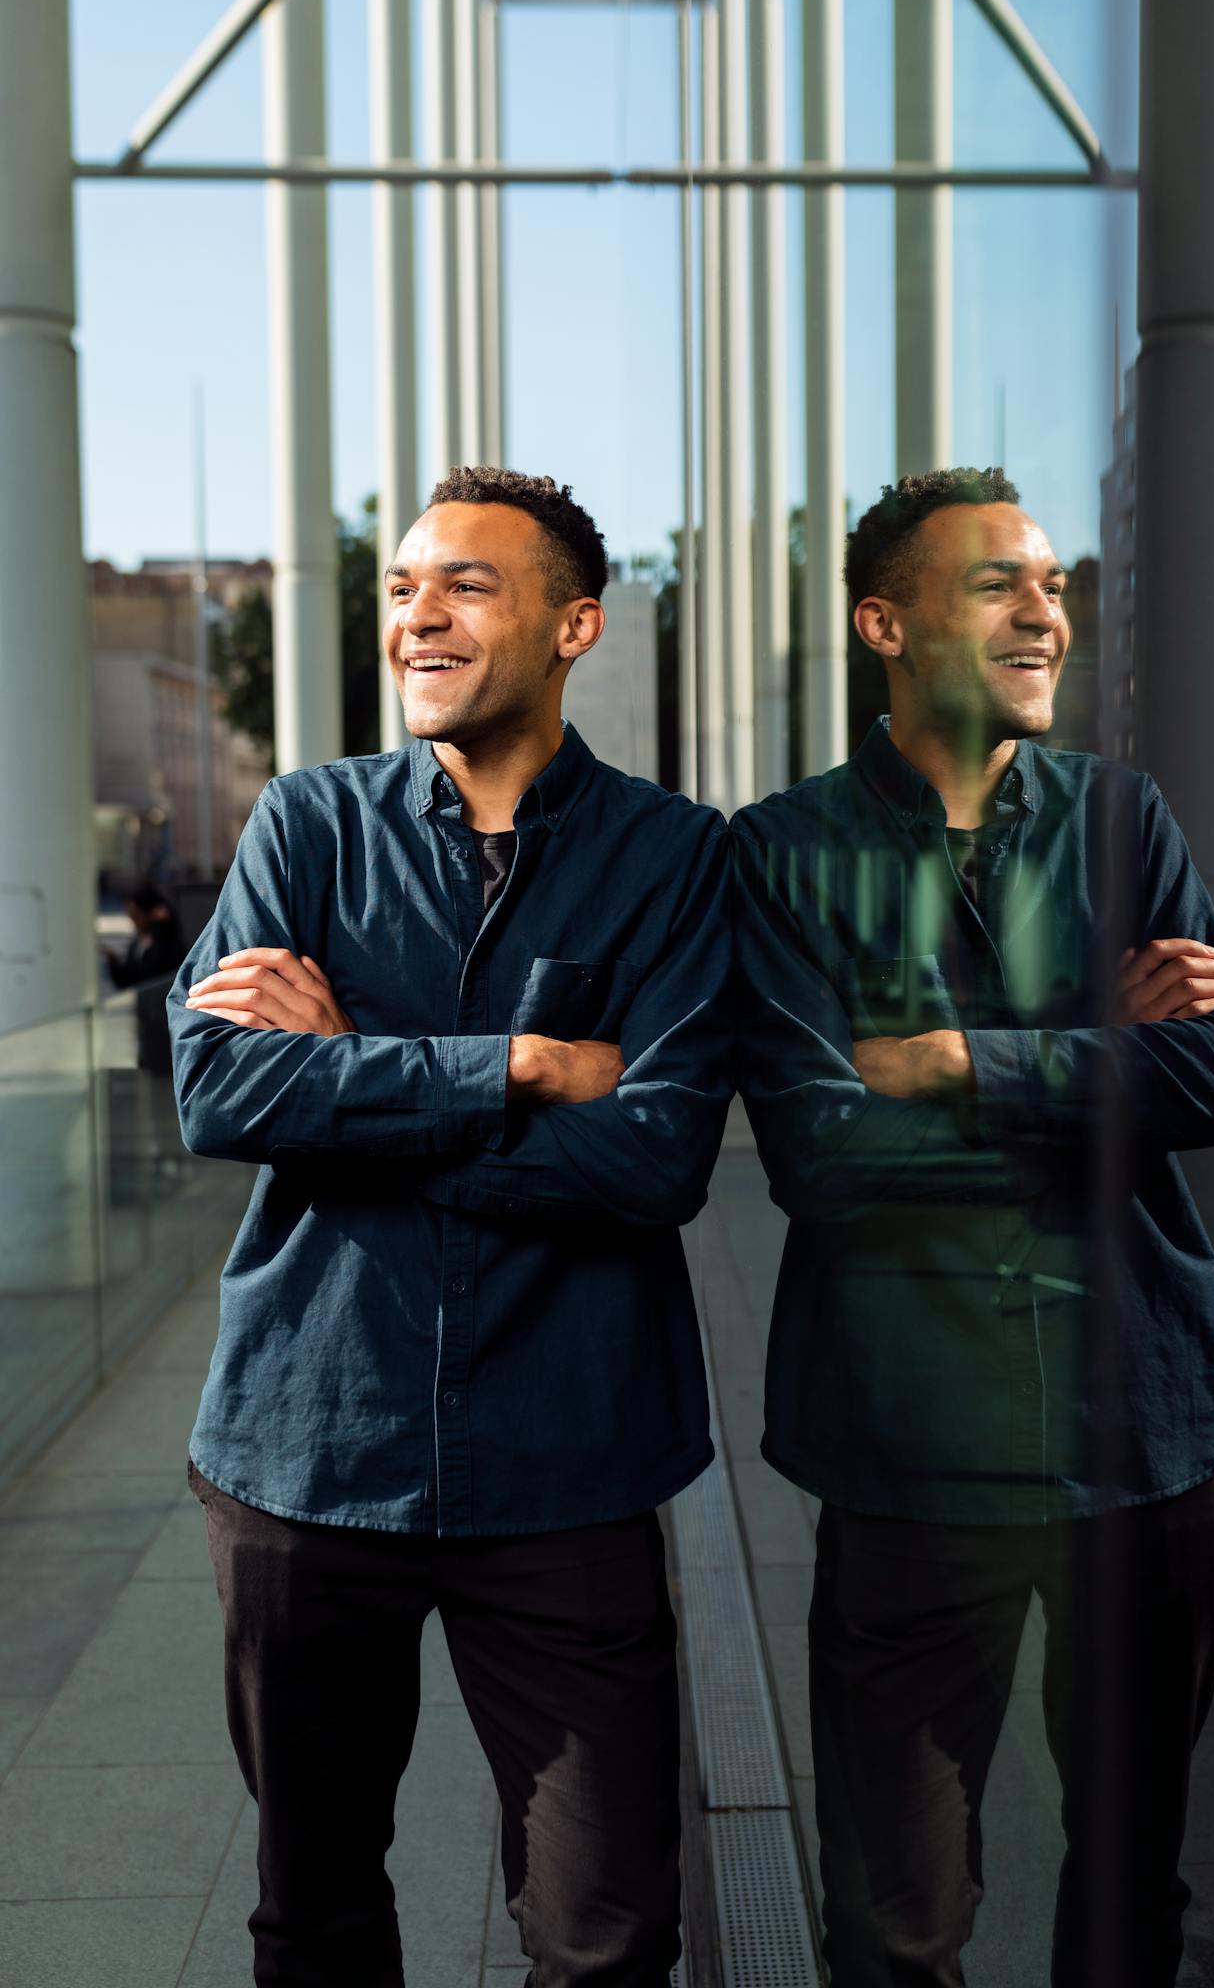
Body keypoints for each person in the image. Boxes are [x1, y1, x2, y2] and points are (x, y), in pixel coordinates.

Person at [169, 466, 733, 1988]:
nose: (417, 613)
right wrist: (519, 1072)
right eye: (403, 587)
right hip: (307, 1449)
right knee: (313, 1916)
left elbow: (657, 1160)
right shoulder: (307, 825)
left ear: (573, 627)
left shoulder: (677, 856)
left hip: (570, 1464)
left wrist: (351, 1079)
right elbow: (218, 1091)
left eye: (467, 585)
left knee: (611, 1934)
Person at [730, 467, 1214, 1988]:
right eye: (997, 585)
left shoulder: (1122, 818)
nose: (1046, 614)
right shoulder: (778, 850)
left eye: (1053, 586)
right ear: (884, 624)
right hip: (908, 1455)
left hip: (1143, 1433)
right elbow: (823, 1154)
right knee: (892, 1921)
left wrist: (960, 1060)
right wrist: (1108, 1061)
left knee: (1131, 1892)